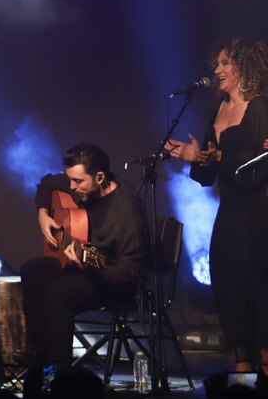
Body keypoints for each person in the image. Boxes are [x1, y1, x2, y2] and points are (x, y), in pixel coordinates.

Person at [166, 37, 268, 376]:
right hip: (229, 217)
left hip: (259, 215)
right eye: (217, 63)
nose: (217, 70)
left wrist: (222, 157)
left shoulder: (260, 107)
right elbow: (207, 178)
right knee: (230, 293)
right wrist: (195, 158)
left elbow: (259, 169)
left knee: (259, 294)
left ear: (244, 67)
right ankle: (243, 388)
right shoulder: (217, 110)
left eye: (226, 63)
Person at [15, 144, 145, 369]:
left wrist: (88, 267)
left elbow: (128, 271)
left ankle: (59, 372)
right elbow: (46, 184)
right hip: (83, 269)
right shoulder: (80, 183)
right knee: (32, 270)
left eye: (78, 182)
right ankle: (37, 350)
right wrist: (43, 214)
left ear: (100, 177)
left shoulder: (126, 212)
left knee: (58, 291)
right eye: (70, 180)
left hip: (112, 282)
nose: (72, 187)